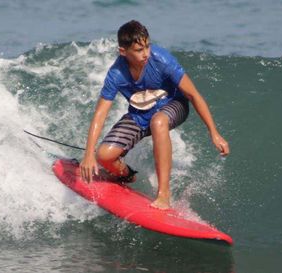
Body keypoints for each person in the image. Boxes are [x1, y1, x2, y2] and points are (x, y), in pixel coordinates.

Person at [80, 20, 229, 210]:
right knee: (104, 156)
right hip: (140, 114)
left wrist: (213, 132)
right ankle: (126, 175)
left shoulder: (161, 60)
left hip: (174, 105)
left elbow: (193, 95)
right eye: (139, 50)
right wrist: (88, 155)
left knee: (158, 121)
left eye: (147, 46)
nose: (146, 54)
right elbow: (100, 113)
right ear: (123, 51)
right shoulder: (116, 74)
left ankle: (164, 195)